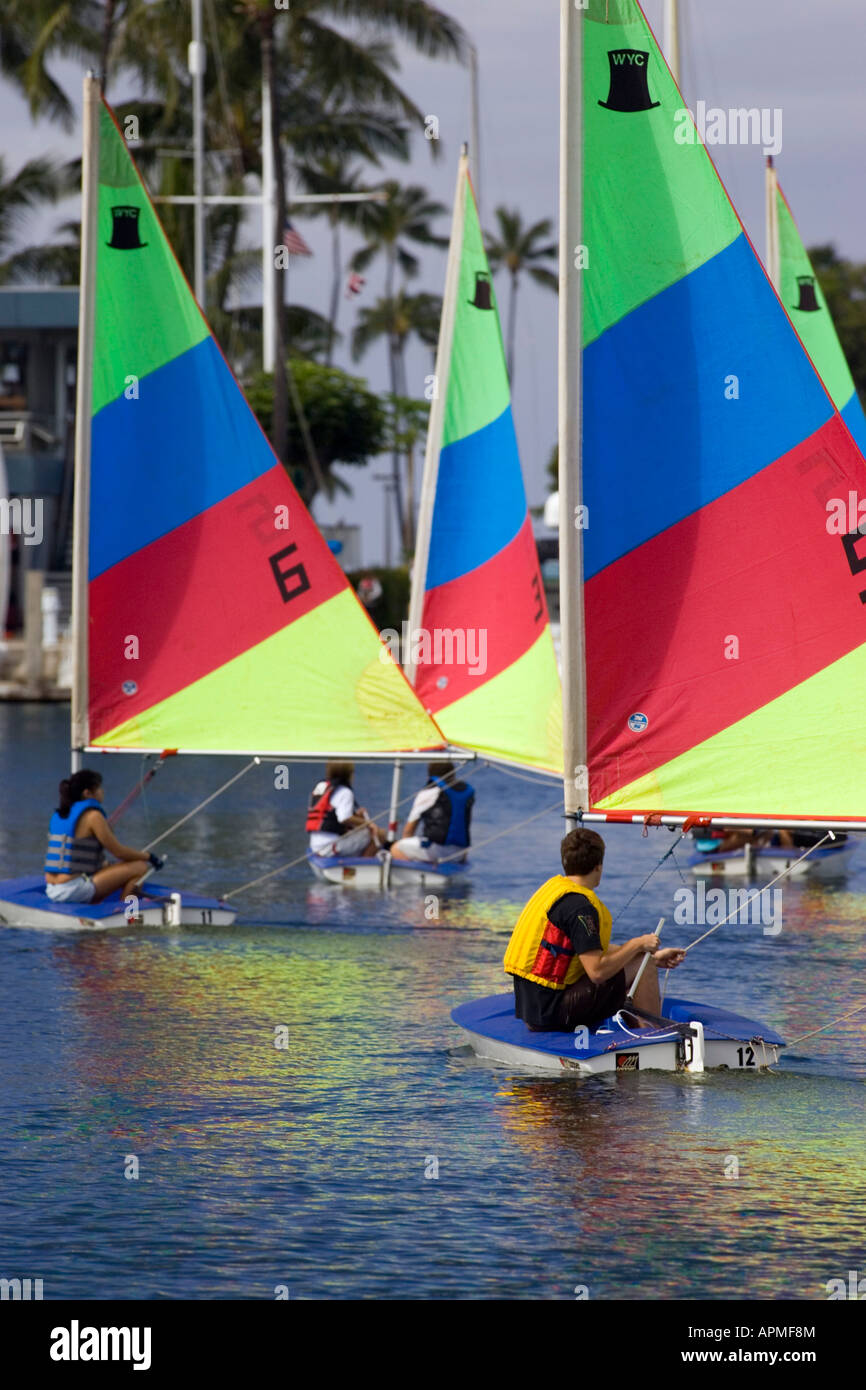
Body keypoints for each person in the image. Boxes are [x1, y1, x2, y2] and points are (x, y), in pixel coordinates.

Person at [504, 827, 686, 1032]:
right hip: (554, 1015)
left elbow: (588, 951)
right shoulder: (580, 908)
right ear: (599, 866)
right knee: (644, 969)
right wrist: (638, 944)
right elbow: (597, 972)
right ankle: (655, 1037)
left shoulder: (555, 892)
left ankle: (640, 1020)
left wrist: (649, 956)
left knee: (643, 962)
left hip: (535, 1011)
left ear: (565, 862)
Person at [44, 769, 163, 905]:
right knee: (140, 867)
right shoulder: (93, 816)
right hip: (72, 890)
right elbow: (119, 852)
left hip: (52, 888)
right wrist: (149, 857)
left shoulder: (59, 815)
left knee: (107, 866)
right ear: (87, 793)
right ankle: (128, 915)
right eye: (99, 788)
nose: (103, 791)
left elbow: (74, 856)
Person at [390, 760, 474, 864]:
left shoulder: (429, 792)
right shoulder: (465, 792)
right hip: (460, 853)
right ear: (453, 773)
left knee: (396, 849)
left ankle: (418, 874)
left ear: (430, 774)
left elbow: (408, 831)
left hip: (436, 850)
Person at [306, 762, 386, 858]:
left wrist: (356, 815)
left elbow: (330, 814)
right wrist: (368, 823)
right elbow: (344, 818)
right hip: (330, 847)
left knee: (362, 831)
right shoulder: (345, 792)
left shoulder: (321, 787)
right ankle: (364, 865)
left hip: (315, 845)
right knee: (380, 834)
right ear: (349, 774)